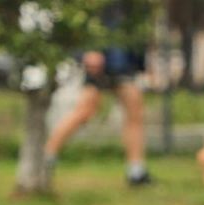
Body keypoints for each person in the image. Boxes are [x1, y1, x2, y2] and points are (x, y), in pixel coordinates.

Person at [44, 2, 152, 187]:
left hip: (123, 64)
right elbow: (76, 25)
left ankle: (136, 171)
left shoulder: (137, 6)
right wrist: (84, 54)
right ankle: (46, 157)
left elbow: (138, 32)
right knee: (84, 111)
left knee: (135, 112)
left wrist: (142, 65)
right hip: (98, 65)